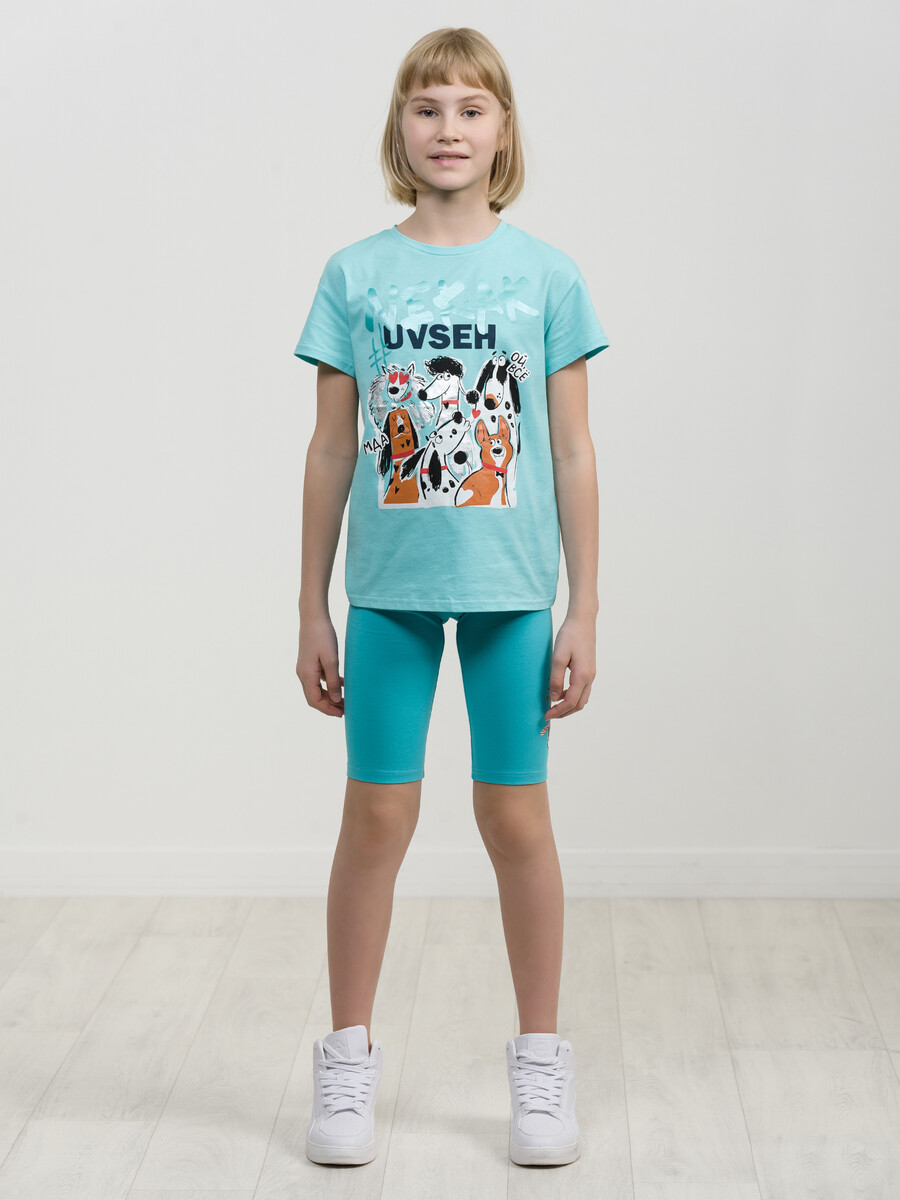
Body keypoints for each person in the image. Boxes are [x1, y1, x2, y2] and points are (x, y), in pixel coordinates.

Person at [293, 26, 609, 1169]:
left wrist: (583, 608)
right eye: (427, 107)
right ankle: (347, 1058)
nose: (448, 129)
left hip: (514, 594)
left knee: (515, 820)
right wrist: (311, 606)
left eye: (471, 109)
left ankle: (540, 1060)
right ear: (401, 126)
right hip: (388, 594)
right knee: (376, 817)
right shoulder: (355, 274)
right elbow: (333, 450)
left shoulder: (547, 276)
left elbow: (570, 450)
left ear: (504, 130)